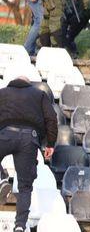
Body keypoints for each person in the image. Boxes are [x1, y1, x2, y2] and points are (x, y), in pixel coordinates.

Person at [0, 76, 57, 232]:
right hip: (29, 138)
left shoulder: (2, 92)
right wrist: (50, 143)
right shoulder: (39, 94)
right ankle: (19, 225)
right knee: (25, 187)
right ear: (28, 84)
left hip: (5, 134)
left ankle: (2, 178)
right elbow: (51, 118)